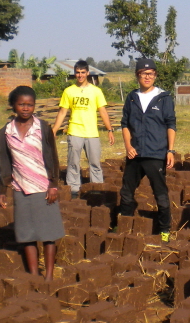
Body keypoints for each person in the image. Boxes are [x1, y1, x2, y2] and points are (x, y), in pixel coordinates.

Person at [0, 85, 64, 281]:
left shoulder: (43, 128)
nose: (26, 108)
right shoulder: (6, 132)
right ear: (13, 106)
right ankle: (34, 276)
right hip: (20, 188)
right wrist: (2, 189)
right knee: (27, 234)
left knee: (48, 233)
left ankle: (49, 276)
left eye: (30, 105)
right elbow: (4, 162)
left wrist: (53, 184)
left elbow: (52, 157)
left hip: (43, 187)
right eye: (21, 104)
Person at [118, 57, 177, 243]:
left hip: (155, 153)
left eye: (150, 73)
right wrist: (128, 146)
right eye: (143, 74)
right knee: (126, 191)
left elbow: (171, 124)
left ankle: (164, 230)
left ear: (155, 75)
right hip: (135, 154)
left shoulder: (164, 98)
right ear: (137, 76)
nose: (147, 77)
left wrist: (170, 151)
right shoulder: (132, 97)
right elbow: (125, 124)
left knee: (160, 193)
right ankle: (124, 225)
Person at [52, 60, 115, 195]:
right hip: (75, 131)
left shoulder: (96, 91)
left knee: (95, 163)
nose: (80, 75)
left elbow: (103, 111)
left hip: (92, 133)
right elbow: (62, 112)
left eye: (82, 72)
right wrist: (54, 130)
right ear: (74, 73)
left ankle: (97, 189)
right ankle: (73, 190)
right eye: (77, 72)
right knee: (73, 163)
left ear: (87, 73)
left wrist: (109, 130)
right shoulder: (69, 91)